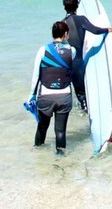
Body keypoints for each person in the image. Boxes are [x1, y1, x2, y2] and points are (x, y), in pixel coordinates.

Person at [28, 21, 76, 155]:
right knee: (60, 131)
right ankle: (60, 157)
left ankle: (37, 154)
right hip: (64, 96)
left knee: (42, 128)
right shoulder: (72, 50)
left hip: (45, 97)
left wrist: (32, 95)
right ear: (66, 34)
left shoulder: (42, 50)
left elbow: (36, 75)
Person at [62, 0, 112, 111]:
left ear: (64, 7)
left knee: (78, 93)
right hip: (78, 62)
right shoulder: (81, 19)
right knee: (83, 91)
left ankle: (83, 111)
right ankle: (90, 111)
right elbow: (94, 30)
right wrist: (107, 30)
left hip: (66, 63)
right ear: (77, 5)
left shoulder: (62, 23)